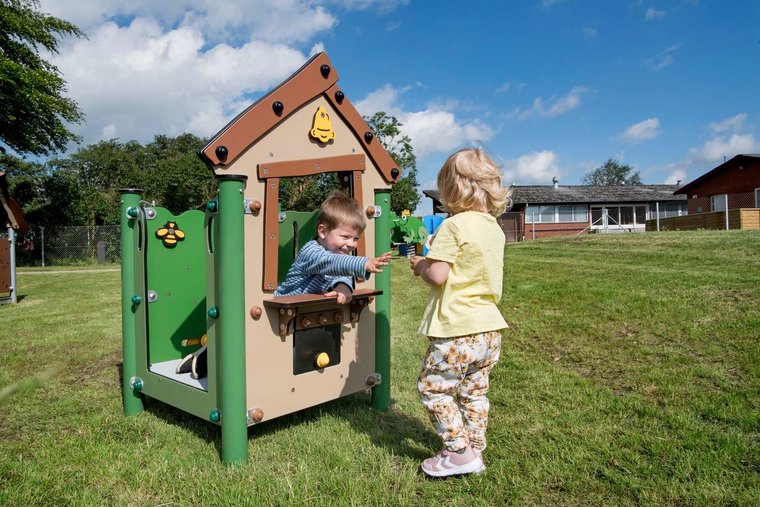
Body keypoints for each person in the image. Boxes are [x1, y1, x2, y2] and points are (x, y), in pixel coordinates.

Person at [410, 147, 511, 478]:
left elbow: (439, 275)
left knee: (433, 388)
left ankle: (458, 452)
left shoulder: (454, 226)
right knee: (474, 391)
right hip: (489, 329)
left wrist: (420, 265)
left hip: (458, 330)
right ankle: (475, 448)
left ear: (452, 189)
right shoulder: (493, 227)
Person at [275, 190, 391, 303]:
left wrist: (343, 286)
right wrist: (364, 263)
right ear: (323, 232)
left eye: (356, 238)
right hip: (282, 307)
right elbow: (331, 262)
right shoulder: (311, 252)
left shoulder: (337, 254)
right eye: (345, 237)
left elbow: (341, 273)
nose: (351, 244)